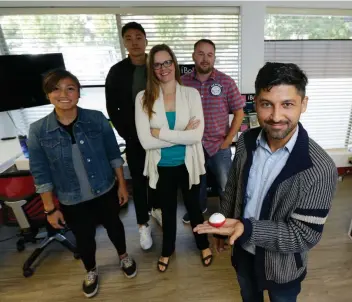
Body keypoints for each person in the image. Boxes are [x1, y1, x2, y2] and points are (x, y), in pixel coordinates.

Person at [194, 62, 338, 302]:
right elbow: (232, 189)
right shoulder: (246, 141)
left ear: (304, 104)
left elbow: (304, 235)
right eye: (266, 104)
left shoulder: (320, 168)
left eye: (287, 105)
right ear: (255, 104)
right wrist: (222, 229)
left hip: (283, 267)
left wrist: (247, 228)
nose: (275, 117)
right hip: (242, 253)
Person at [28, 69, 137, 298]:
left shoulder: (96, 118)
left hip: (105, 190)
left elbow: (113, 154)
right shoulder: (38, 130)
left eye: (70, 88)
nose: (63, 93)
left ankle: (123, 256)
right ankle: (91, 270)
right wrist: (50, 209)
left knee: (115, 228)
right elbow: (41, 173)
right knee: (85, 239)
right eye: (55, 88)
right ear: (48, 94)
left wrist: (122, 185)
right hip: (71, 199)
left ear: (79, 93)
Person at [135, 44, 213, 272]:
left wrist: (161, 133)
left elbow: (196, 135)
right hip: (162, 166)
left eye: (167, 62)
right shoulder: (143, 98)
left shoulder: (191, 94)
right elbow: (146, 142)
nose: (163, 68)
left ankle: (203, 245)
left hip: (188, 163)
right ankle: (167, 249)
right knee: (167, 212)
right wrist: (182, 135)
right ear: (152, 68)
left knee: (195, 209)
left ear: (174, 64)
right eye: (157, 64)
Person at [105, 21, 161, 251]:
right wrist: (126, 133)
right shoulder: (117, 71)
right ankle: (142, 223)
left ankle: (157, 209)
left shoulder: (158, 66)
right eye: (129, 38)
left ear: (146, 40)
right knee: (139, 181)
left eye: (139, 37)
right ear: (124, 42)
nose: (134, 42)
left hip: (161, 135)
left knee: (160, 176)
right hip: (134, 137)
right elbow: (112, 108)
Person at [181, 39, 245, 224]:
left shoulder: (226, 81)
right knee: (196, 183)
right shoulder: (182, 82)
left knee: (226, 184)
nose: (205, 58)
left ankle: (228, 214)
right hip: (192, 146)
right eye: (200, 54)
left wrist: (228, 140)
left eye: (209, 54)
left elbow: (239, 113)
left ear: (214, 57)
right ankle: (198, 209)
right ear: (193, 55)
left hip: (219, 146)